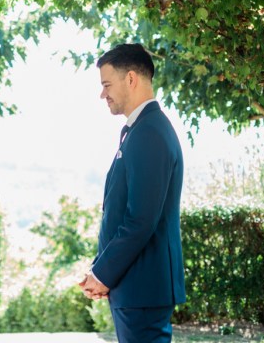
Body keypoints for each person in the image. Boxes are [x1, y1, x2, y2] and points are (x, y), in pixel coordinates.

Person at [79, 43, 186, 342]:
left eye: (106, 84)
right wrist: (101, 272)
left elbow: (140, 220)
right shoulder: (139, 130)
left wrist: (101, 275)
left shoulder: (150, 132)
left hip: (144, 287)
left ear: (130, 79)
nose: (103, 94)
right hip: (135, 286)